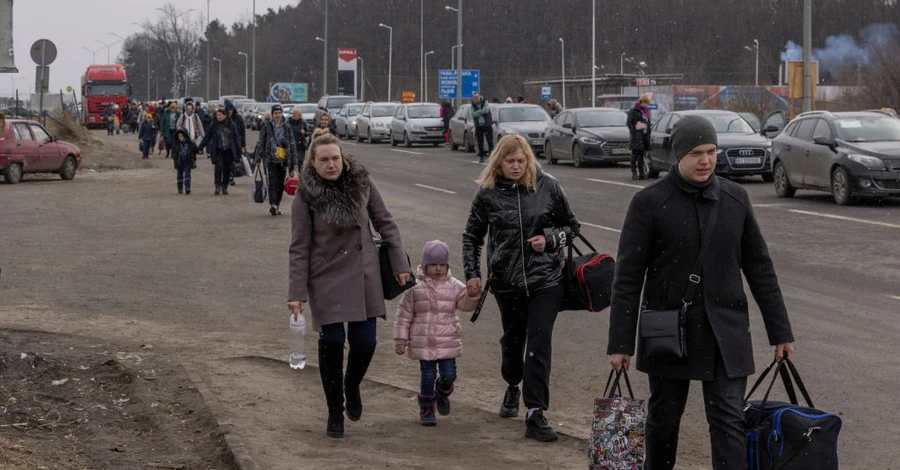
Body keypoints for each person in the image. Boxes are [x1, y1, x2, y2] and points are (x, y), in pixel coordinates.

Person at [607, 115, 795, 470]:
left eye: (711, 151)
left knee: (728, 423)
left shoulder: (735, 198)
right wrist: (620, 343)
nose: (706, 160)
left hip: (727, 330)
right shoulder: (650, 203)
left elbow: (760, 269)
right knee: (664, 420)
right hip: (669, 332)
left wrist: (780, 333)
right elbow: (628, 279)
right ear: (679, 154)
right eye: (696, 153)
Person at [288, 133, 411, 439]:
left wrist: (400, 264)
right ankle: (334, 411)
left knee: (365, 343)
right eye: (324, 160)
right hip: (326, 274)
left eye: (335, 158)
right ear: (313, 163)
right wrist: (296, 293)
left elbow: (386, 222)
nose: (331, 164)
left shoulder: (362, 182)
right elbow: (299, 245)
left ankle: (352, 383)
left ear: (343, 157)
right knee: (331, 344)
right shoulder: (306, 194)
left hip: (363, 271)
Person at [462, 134, 580, 442]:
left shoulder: (548, 186)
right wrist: (472, 273)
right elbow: (472, 237)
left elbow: (573, 228)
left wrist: (551, 240)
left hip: (546, 280)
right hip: (507, 283)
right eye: (510, 161)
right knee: (513, 344)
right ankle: (512, 384)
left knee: (539, 344)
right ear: (499, 162)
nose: (516, 166)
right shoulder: (486, 194)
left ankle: (535, 413)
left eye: (521, 160)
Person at [394, 240, 480, 426]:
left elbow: (465, 305)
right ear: (425, 265)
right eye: (433, 265)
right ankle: (426, 405)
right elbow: (404, 315)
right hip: (423, 342)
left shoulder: (454, 285)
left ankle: (442, 392)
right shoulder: (414, 288)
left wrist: (472, 295)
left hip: (447, 341)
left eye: (442, 265)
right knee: (427, 375)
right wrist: (401, 339)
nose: (438, 269)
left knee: (449, 374)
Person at [255, 104, 299, 216]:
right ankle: (273, 204)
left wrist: (294, 161)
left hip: (283, 160)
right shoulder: (267, 126)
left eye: (279, 113)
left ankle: (277, 205)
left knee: (280, 184)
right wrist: (258, 159)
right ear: (272, 114)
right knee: (272, 182)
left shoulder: (286, 127)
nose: (277, 115)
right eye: (275, 113)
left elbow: (292, 144)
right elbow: (261, 143)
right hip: (270, 160)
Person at [198, 107, 241, 195]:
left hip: (229, 150)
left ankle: (224, 186)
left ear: (225, 115)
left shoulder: (231, 124)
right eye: (217, 115)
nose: (218, 117)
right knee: (218, 168)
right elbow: (208, 137)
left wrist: (239, 151)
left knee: (227, 169)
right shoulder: (213, 125)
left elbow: (236, 138)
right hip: (218, 150)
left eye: (220, 115)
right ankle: (217, 186)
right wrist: (200, 147)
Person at [626, 94, 652, 180]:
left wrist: (648, 130)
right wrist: (636, 129)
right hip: (636, 136)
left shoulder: (646, 111)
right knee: (635, 154)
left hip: (644, 136)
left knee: (641, 155)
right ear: (642, 102)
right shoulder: (634, 111)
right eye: (646, 103)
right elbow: (629, 123)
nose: (647, 105)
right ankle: (634, 172)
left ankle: (641, 173)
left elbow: (648, 123)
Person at [224, 101, 247, 186]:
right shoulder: (224, 118)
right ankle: (229, 177)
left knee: (234, 160)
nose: (230, 111)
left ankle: (232, 175)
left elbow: (242, 131)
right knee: (228, 161)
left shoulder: (238, 118)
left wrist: (243, 144)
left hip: (237, 142)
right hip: (227, 143)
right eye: (228, 110)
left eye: (231, 110)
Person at [171, 129, 198, 195]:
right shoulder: (176, 145)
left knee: (187, 175)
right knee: (179, 176)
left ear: (185, 137)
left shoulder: (190, 144)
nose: (180, 138)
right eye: (179, 136)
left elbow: (196, 150)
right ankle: (180, 188)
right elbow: (173, 152)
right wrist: (175, 157)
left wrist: (197, 151)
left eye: (181, 136)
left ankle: (187, 188)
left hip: (187, 162)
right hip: (179, 162)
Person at [470, 92, 493, 163]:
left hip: (487, 124)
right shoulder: (473, 105)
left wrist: (478, 112)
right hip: (479, 125)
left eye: (477, 97)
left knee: (490, 141)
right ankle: (481, 157)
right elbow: (473, 114)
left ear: (479, 96)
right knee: (480, 142)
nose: (476, 99)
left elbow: (486, 110)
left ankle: (491, 157)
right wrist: (481, 112)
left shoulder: (485, 102)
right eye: (474, 97)